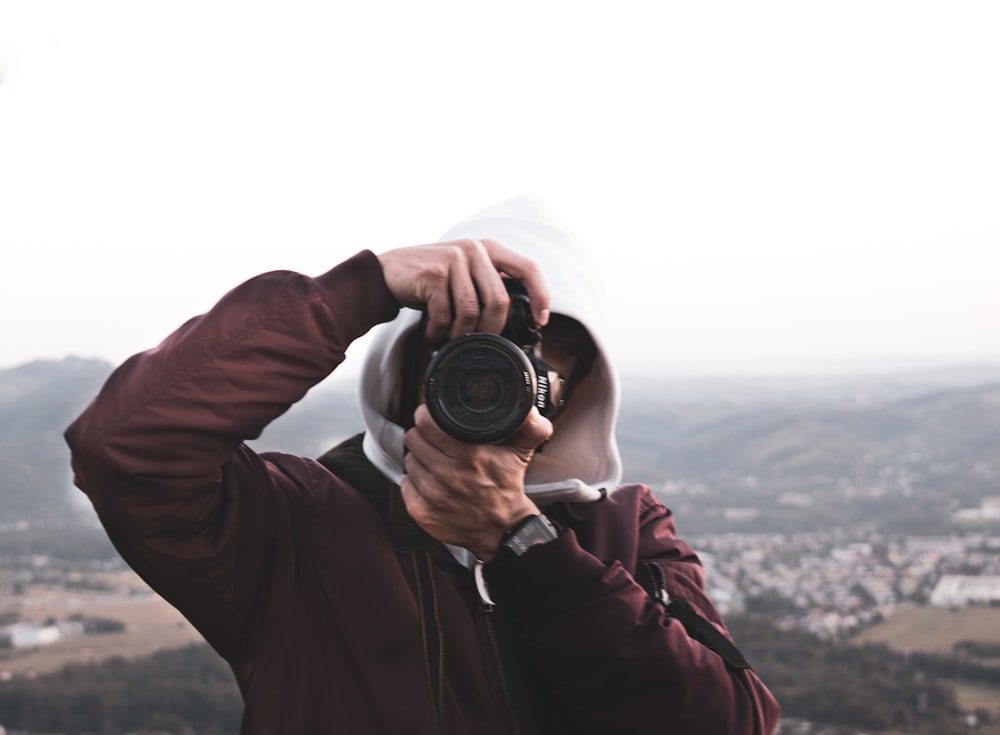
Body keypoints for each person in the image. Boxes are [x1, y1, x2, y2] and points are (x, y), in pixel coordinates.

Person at [65, 194, 781, 734]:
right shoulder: (297, 526)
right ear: (407, 361)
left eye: (527, 369)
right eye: (469, 355)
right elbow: (124, 448)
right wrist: (364, 287)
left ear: (572, 393)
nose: (488, 386)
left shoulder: (621, 530)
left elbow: (733, 721)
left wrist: (524, 546)